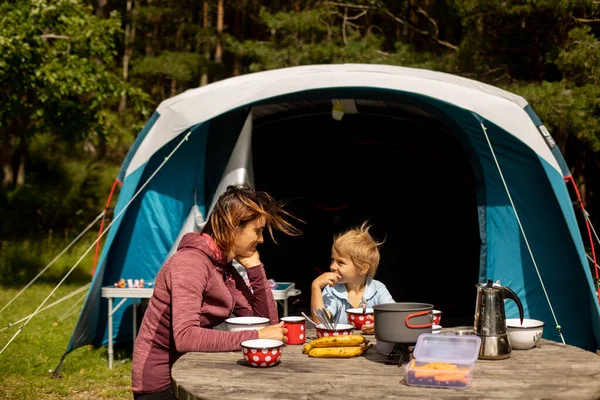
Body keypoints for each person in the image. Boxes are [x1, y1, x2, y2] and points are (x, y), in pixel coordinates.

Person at [132, 184, 302, 399]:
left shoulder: (224, 268)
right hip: (161, 385)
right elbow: (185, 336)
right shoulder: (190, 263)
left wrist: (255, 269)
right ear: (232, 227)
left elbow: (266, 324)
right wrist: (255, 336)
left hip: (195, 371)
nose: (261, 240)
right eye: (257, 231)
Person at [310, 221, 394, 335]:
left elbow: (394, 316)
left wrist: (380, 324)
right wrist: (316, 287)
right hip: (340, 346)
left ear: (362, 269)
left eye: (340, 262)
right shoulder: (332, 289)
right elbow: (320, 322)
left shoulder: (378, 289)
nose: (332, 266)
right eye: (332, 260)